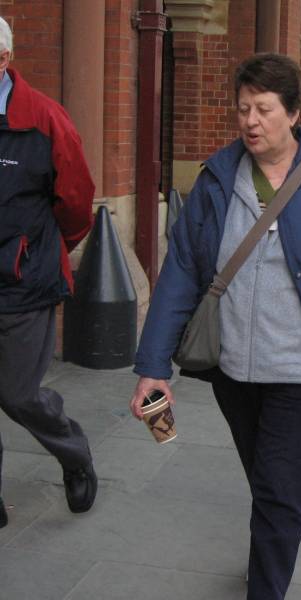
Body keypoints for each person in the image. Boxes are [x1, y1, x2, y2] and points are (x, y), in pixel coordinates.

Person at [129, 54, 301, 600]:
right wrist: (152, 367)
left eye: (263, 109)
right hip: (233, 367)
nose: (250, 121)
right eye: (243, 110)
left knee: (281, 491)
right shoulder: (217, 178)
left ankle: (266, 587)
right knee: (266, 480)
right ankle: (269, 556)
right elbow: (183, 272)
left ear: (293, 113)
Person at [0, 16, 98, 528]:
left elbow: (77, 202)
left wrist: (38, 250)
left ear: (4, 59)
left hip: (23, 282)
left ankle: (74, 451)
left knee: (18, 394)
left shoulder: (44, 118)